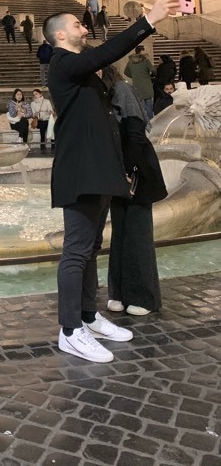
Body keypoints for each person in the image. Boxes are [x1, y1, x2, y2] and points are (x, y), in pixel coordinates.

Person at [42, 0, 178, 363]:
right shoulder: (62, 64)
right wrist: (148, 21)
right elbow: (106, 53)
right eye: (76, 24)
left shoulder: (83, 72)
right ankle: (70, 330)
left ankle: (87, 317)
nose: (83, 26)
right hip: (80, 173)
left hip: (97, 172)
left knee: (88, 251)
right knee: (76, 253)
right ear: (59, 37)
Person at [102, 65, 168, 316]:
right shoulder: (107, 94)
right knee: (120, 234)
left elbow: (135, 134)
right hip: (120, 175)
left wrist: (127, 170)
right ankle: (118, 293)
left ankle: (143, 296)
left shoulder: (121, 91)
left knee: (138, 235)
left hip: (137, 174)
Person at [124, 45, 156, 119]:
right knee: (148, 107)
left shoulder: (131, 61)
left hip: (136, 87)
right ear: (142, 51)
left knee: (140, 107)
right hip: (147, 86)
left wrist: (134, 76)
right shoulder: (145, 60)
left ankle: (143, 122)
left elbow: (126, 72)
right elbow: (153, 70)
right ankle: (150, 122)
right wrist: (151, 75)